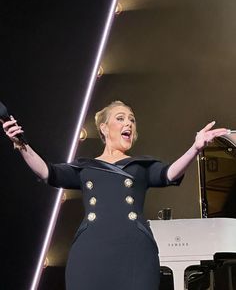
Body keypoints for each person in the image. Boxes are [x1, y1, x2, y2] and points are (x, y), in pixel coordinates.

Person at [2, 100, 228, 290]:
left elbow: (169, 174)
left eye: (132, 119)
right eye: (120, 118)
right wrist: (21, 144)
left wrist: (195, 148)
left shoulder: (141, 166)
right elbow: (47, 172)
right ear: (103, 127)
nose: (128, 122)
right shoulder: (86, 168)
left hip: (135, 254)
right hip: (90, 254)